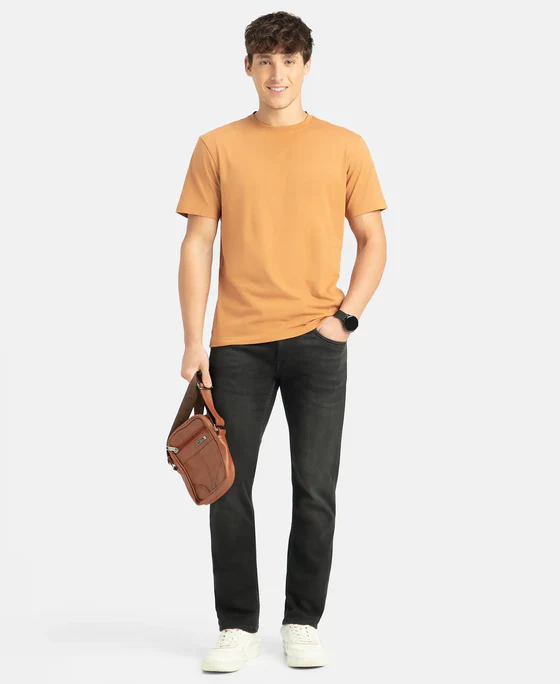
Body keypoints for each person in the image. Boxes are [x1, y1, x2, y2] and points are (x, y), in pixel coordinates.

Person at [174, 10, 387, 672]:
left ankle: (302, 621)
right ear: (247, 67)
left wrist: (345, 319)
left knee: (315, 487)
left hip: (318, 344)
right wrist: (193, 340)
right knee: (226, 486)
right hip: (236, 345)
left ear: (306, 66)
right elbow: (197, 243)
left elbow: (374, 239)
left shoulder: (345, 145)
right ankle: (237, 625)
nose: (277, 73)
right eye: (265, 60)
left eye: (289, 60)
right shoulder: (216, 146)